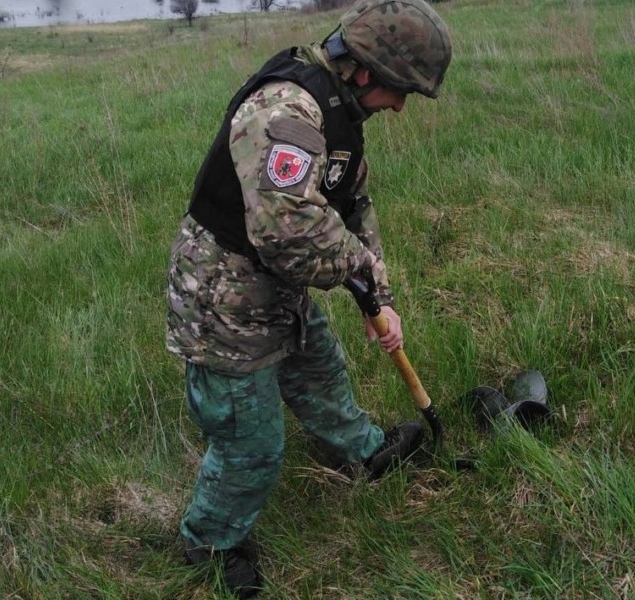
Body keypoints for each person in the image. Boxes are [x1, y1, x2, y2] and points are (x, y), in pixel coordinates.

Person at [165, 0, 452, 596]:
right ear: (367, 70)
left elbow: (353, 206)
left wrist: (379, 297)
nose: (400, 106)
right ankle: (210, 541)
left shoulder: (340, 113)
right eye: (400, 90)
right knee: (252, 442)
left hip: (277, 287)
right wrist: (356, 274)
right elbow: (285, 228)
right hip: (223, 298)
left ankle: (365, 453)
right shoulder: (286, 111)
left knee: (321, 369)